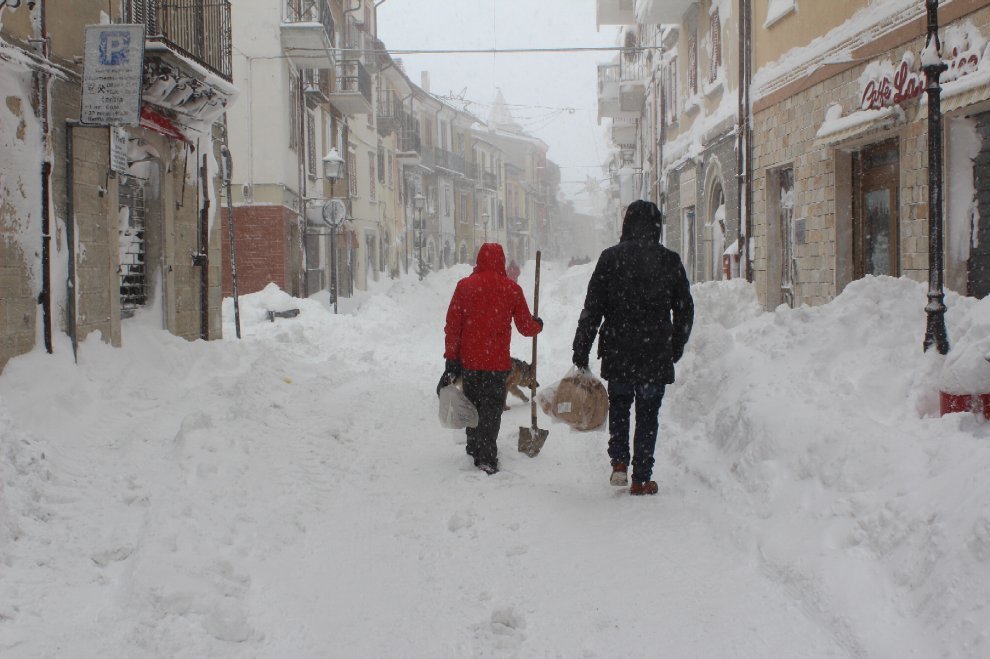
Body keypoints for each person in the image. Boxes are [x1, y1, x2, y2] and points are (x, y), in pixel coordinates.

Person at [571, 200, 694, 495]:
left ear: (626, 224)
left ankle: (619, 462)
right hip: (655, 352)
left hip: (619, 349)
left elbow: (593, 307)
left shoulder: (610, 258)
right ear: (657, 226)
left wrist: (582, 346)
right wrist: (676, 344)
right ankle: (641, 478)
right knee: (648, 414)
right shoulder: (669, 260)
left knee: (620, 406)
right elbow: (685, 308)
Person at [438, 243, 543, 474]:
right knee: (491, 409)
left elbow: (452, 326)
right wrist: (538, 325)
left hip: (470, 363)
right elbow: (526, 327)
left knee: (472, 404)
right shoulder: (511, 289)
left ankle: (473, 447)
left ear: (479, 260)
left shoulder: (465, 287)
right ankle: (486, 456)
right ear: (502, 262)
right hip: (496, 364)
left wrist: (451, 358)